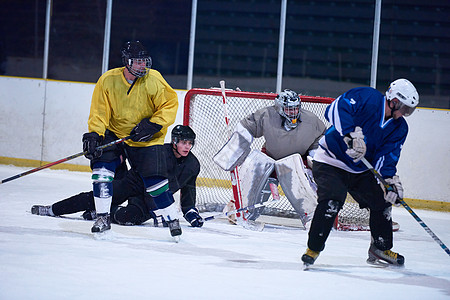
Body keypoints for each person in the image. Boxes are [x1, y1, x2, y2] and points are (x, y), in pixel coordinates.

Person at [301, 79, 419, 267]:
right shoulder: (368, 97)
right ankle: (313, 248)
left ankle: (380, 248)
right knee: (332, 200)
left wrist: (388, 180)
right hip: (330, 161)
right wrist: (350, 135)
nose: (405, 113)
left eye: (409, 110)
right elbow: (335, 108)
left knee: (382, 201)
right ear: (393, 100)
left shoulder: (400, 128)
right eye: (404, 108)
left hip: (360, 170)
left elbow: (388, 156)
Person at [80, 40, 179, 236]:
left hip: (147, 137)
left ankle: (172, 219)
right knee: (101, 171)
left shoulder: (154, 79)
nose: (143, 66)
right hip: (115, 132)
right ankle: (102, 216)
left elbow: (170, 104)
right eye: (138, 62)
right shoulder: (108, 80)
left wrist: (154, 124)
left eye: (145, 61)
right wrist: (95, 134)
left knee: (155, 181)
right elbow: (100, 111)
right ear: (127, 61)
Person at [31, 125, 203, 228]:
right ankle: (52, 209)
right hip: (134, 182)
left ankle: (101, 213)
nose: (187, 146)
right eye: (183, 142)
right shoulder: (159, 151)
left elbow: (188, 192)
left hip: (152, 199)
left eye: (189, 143)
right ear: (174, 141)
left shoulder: (193, 165)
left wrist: (191, 214)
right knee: (97, 196)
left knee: (128, 218)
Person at [214, 89, 326, 223]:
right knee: (255, 172)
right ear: (279, 108)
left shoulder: (311, 120)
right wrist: (234, 149)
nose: (293, 113)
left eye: (296, 109)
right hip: (271, 157)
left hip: (296, 161)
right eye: (289, 109)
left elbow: (321, 138)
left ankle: (314, 218)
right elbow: (248, 127)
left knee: (302, 186)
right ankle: (240, 210)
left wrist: (315, 156)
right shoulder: (267, 115)